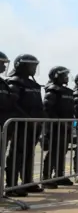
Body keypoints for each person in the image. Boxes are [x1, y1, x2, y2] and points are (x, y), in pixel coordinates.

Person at [6, 54, 45, 196]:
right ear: (22, 66)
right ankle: (11, 184)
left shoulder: (33, 84)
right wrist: (27, 118)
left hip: (33, 125)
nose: (34, 69)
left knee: (29, 153)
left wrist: (41, 120)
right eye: (31, 66)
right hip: (21, 124)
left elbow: (39, 106)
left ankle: (27, 181)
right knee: (17, 154)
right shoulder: (15, 82)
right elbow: (14, 104)